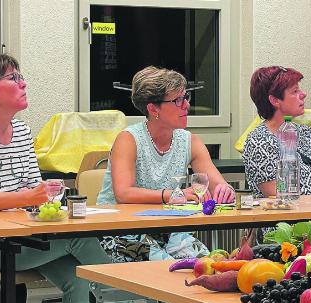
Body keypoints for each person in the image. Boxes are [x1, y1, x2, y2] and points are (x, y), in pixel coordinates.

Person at [0, 54, 112, 303]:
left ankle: (121, 294)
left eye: (21, 77)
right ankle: (127, 298)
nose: (23, 84)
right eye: (13, 78)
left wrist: (47, 196)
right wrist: (29, 197)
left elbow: (36, 192)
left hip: (20, 234)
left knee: (78, 279)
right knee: (77, 238)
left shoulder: (21, 131)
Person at [96, 66, 234, 262]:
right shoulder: (128, 139)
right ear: (153, 108)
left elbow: (216, 183)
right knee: (167, 270)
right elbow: (124, 193)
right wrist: (175, 195)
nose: (186, 105)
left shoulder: (189, 141)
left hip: (166, 230)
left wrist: (224, 190)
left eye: (186, 97)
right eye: (177, 100)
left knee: (209, 264)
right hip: (121, 230)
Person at [243, 66, 311, 198]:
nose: (303, 94)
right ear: (275, 100)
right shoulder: (259, 142)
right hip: (287, 217)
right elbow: (279, 197)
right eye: (295, 91)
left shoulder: (308, 133)